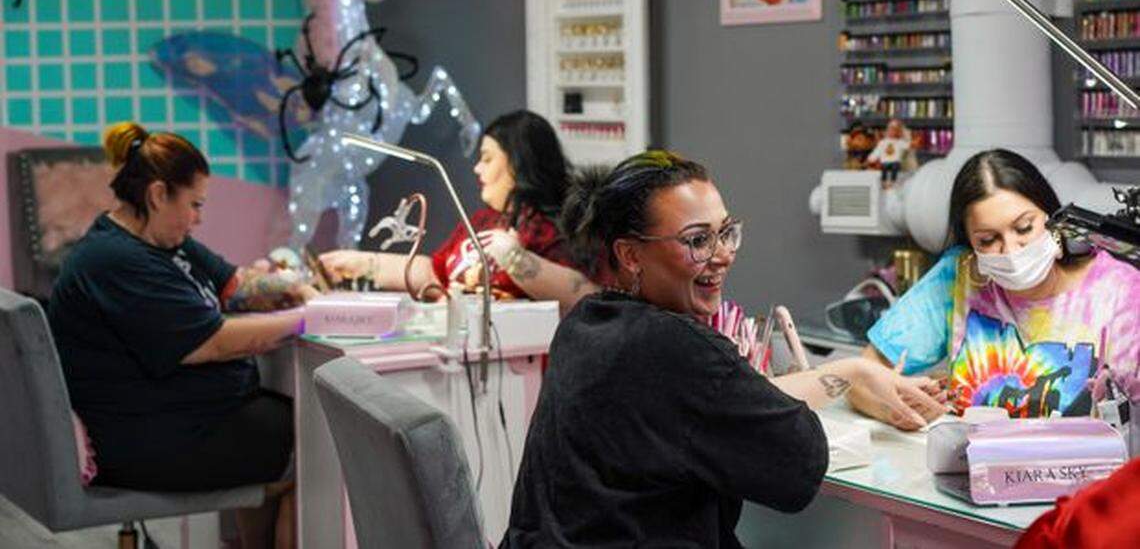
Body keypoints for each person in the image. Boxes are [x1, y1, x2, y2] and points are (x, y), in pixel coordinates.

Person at [500, 150, 942, 547]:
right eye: (698, 240)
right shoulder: (675, 347)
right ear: (631, 255)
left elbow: (723, 400)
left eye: (726, 232)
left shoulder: (587, 323)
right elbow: (798, 456)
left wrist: (853, 372)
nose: (723, 254)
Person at [48, 122, 316, 549]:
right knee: (317, 443)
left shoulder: (164, 240)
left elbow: (235, 285)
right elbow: (211, 343)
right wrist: (306, 320)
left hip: (186, 417)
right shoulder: (115, 261)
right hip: (148, 440)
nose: (198, 219)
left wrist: (296, 289)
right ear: (158, 195)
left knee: (291, 426)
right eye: (194, 204)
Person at [850, 148, 1140, 430]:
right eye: (988, 240)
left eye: (1024, 228)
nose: (1011, 250)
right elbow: (859, 379)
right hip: (971, 461)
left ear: (1052, 218)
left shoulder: (1117, 290)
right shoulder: (959, 277)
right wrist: (902, 411)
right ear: (971, 244)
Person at [320, 109, 581, 311]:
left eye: (487, 158)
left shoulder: (555, 229)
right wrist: (362, 264)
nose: (477, 168)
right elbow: (435, 273)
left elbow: (582, 295)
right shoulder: (483, 221)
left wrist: (515, 259)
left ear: (518, 163)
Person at [865, 118, 912, 187]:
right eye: (890, 130)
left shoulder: (900, 142)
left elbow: (908, 146)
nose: (892, 132)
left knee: (895, 168)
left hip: (896, 163)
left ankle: (893, 182)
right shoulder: (883, 142)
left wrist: (911, 141)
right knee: (884, 170)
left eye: (895, 130)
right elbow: (877, 151)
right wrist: (871, 158)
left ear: (899, 132)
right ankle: (884, 182)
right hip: (885, 162)